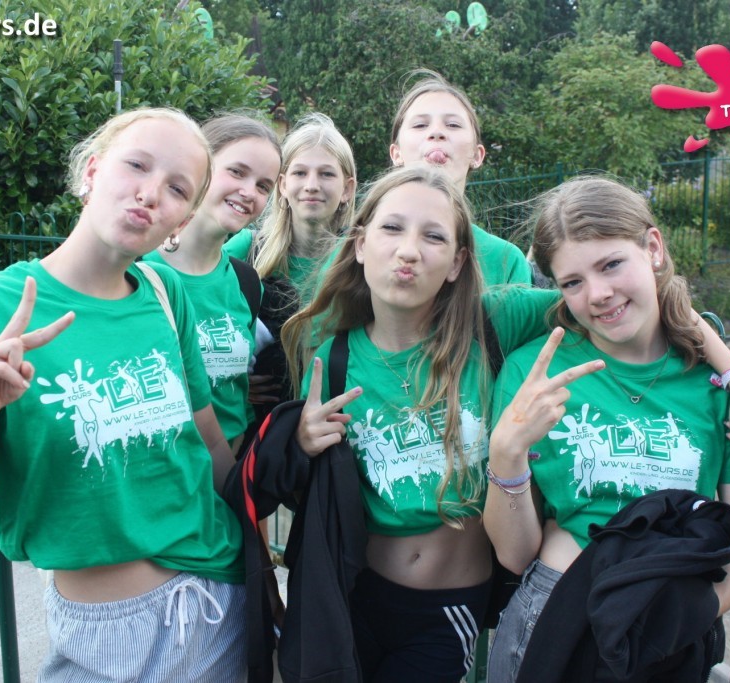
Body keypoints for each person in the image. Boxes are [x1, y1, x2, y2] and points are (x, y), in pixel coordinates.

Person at [0, 107, 247, 682]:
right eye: (136, 165)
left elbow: (212, 448)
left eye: (177, 189)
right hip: (104, 635)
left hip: (223, 605)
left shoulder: (166, 293)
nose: (150, 193)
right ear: (92, 172)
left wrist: (266, 562)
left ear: (183, 220)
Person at [483, 176, 730, 682]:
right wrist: (506, 456)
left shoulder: (718, 388)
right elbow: (514, 555)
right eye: (572, 282)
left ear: (653, 248)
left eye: (611, 265)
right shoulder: (534, 373)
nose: (598, 294)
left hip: (669, 632)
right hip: (551, 615)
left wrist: (678, 619)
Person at [282, 166, 500, 682]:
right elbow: (304, 486)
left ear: (457, 262)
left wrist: (723, 363)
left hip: (447, 608)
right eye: (392, 228)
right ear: (360, 244)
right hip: (355, 596)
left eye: (434, 237)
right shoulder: (329, 357)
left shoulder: (489, 330)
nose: (409, 251)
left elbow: (595, 300)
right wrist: (301, 442)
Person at [146, 112, 281, 456]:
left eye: (263, 186)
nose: (249, 192)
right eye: (237, 171)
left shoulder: (247, 282)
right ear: (200, 167)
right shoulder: (138, 271)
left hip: (230, 475)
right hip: (161, 474)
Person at [224, 112, 357, 426]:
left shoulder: (360, 260)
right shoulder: (246, 249)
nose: (312, 185)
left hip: (340, 424)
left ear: (347, 189)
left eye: (326, 174)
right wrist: (231, 379)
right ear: (282, 185)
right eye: (300, 172)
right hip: (262, 429)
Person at [389, 69, 532, 288]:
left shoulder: (506, 261)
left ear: (477, 155)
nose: (436, 132)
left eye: (453, 125)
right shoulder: (355, 249)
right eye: (420, 125)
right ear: (396, 153)